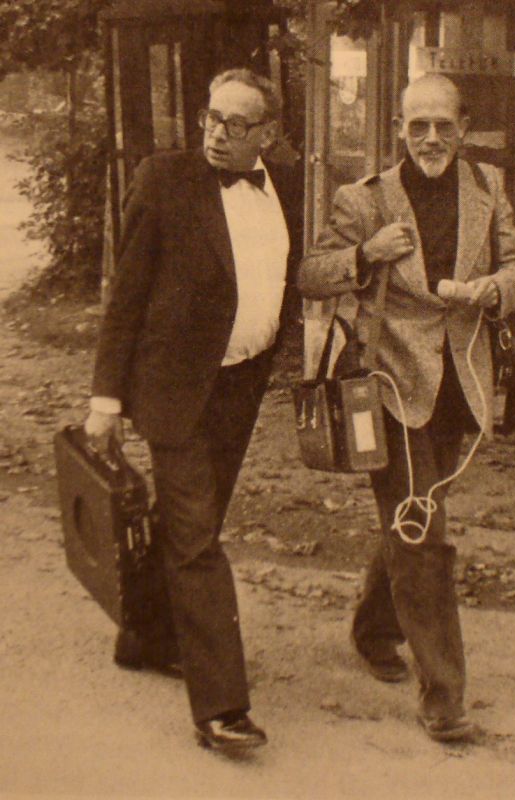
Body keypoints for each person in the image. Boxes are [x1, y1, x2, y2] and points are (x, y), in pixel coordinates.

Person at [297, 74, 515, 743]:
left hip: (461, 384)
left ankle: (374, 629)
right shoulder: (364, 198)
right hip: (389, 384)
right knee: (423, 531)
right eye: (416, 125)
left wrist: (494, 290)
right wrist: (364, 254)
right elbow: (311, 274)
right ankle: (445, 696)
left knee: (413, 516)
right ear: (399, 128)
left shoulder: (488, 188)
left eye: (442, 125)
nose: (429, 138)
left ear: (464, 129)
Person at [85, 68, 301, 752]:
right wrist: (105, 400)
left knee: (187, 527)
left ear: (268, 133)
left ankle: (144, 637)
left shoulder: (286, 186)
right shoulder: (163, 179)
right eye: (211, 117)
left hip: (240, 386)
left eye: (237, 124)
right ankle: (221, 706)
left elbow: (285, 278)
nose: (217, 133)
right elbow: (125, 295)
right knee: (197, 541)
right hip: (172, 390)